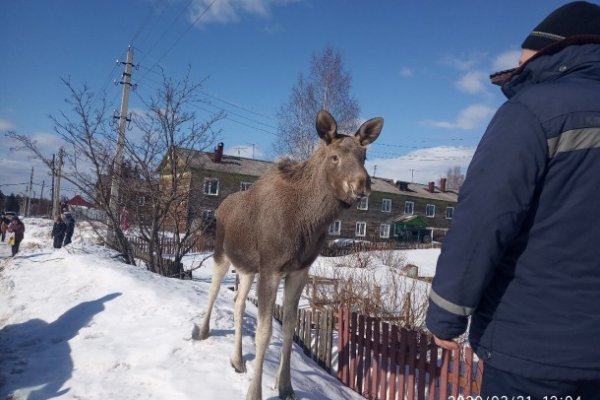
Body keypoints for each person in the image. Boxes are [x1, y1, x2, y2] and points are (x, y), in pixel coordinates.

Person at [425, 2, 600, 398]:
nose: (519, 67)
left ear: (553, 52)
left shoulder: (532, 111)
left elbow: (484, 219)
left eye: (524, 59)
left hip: (534, 351)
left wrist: (446, 312)